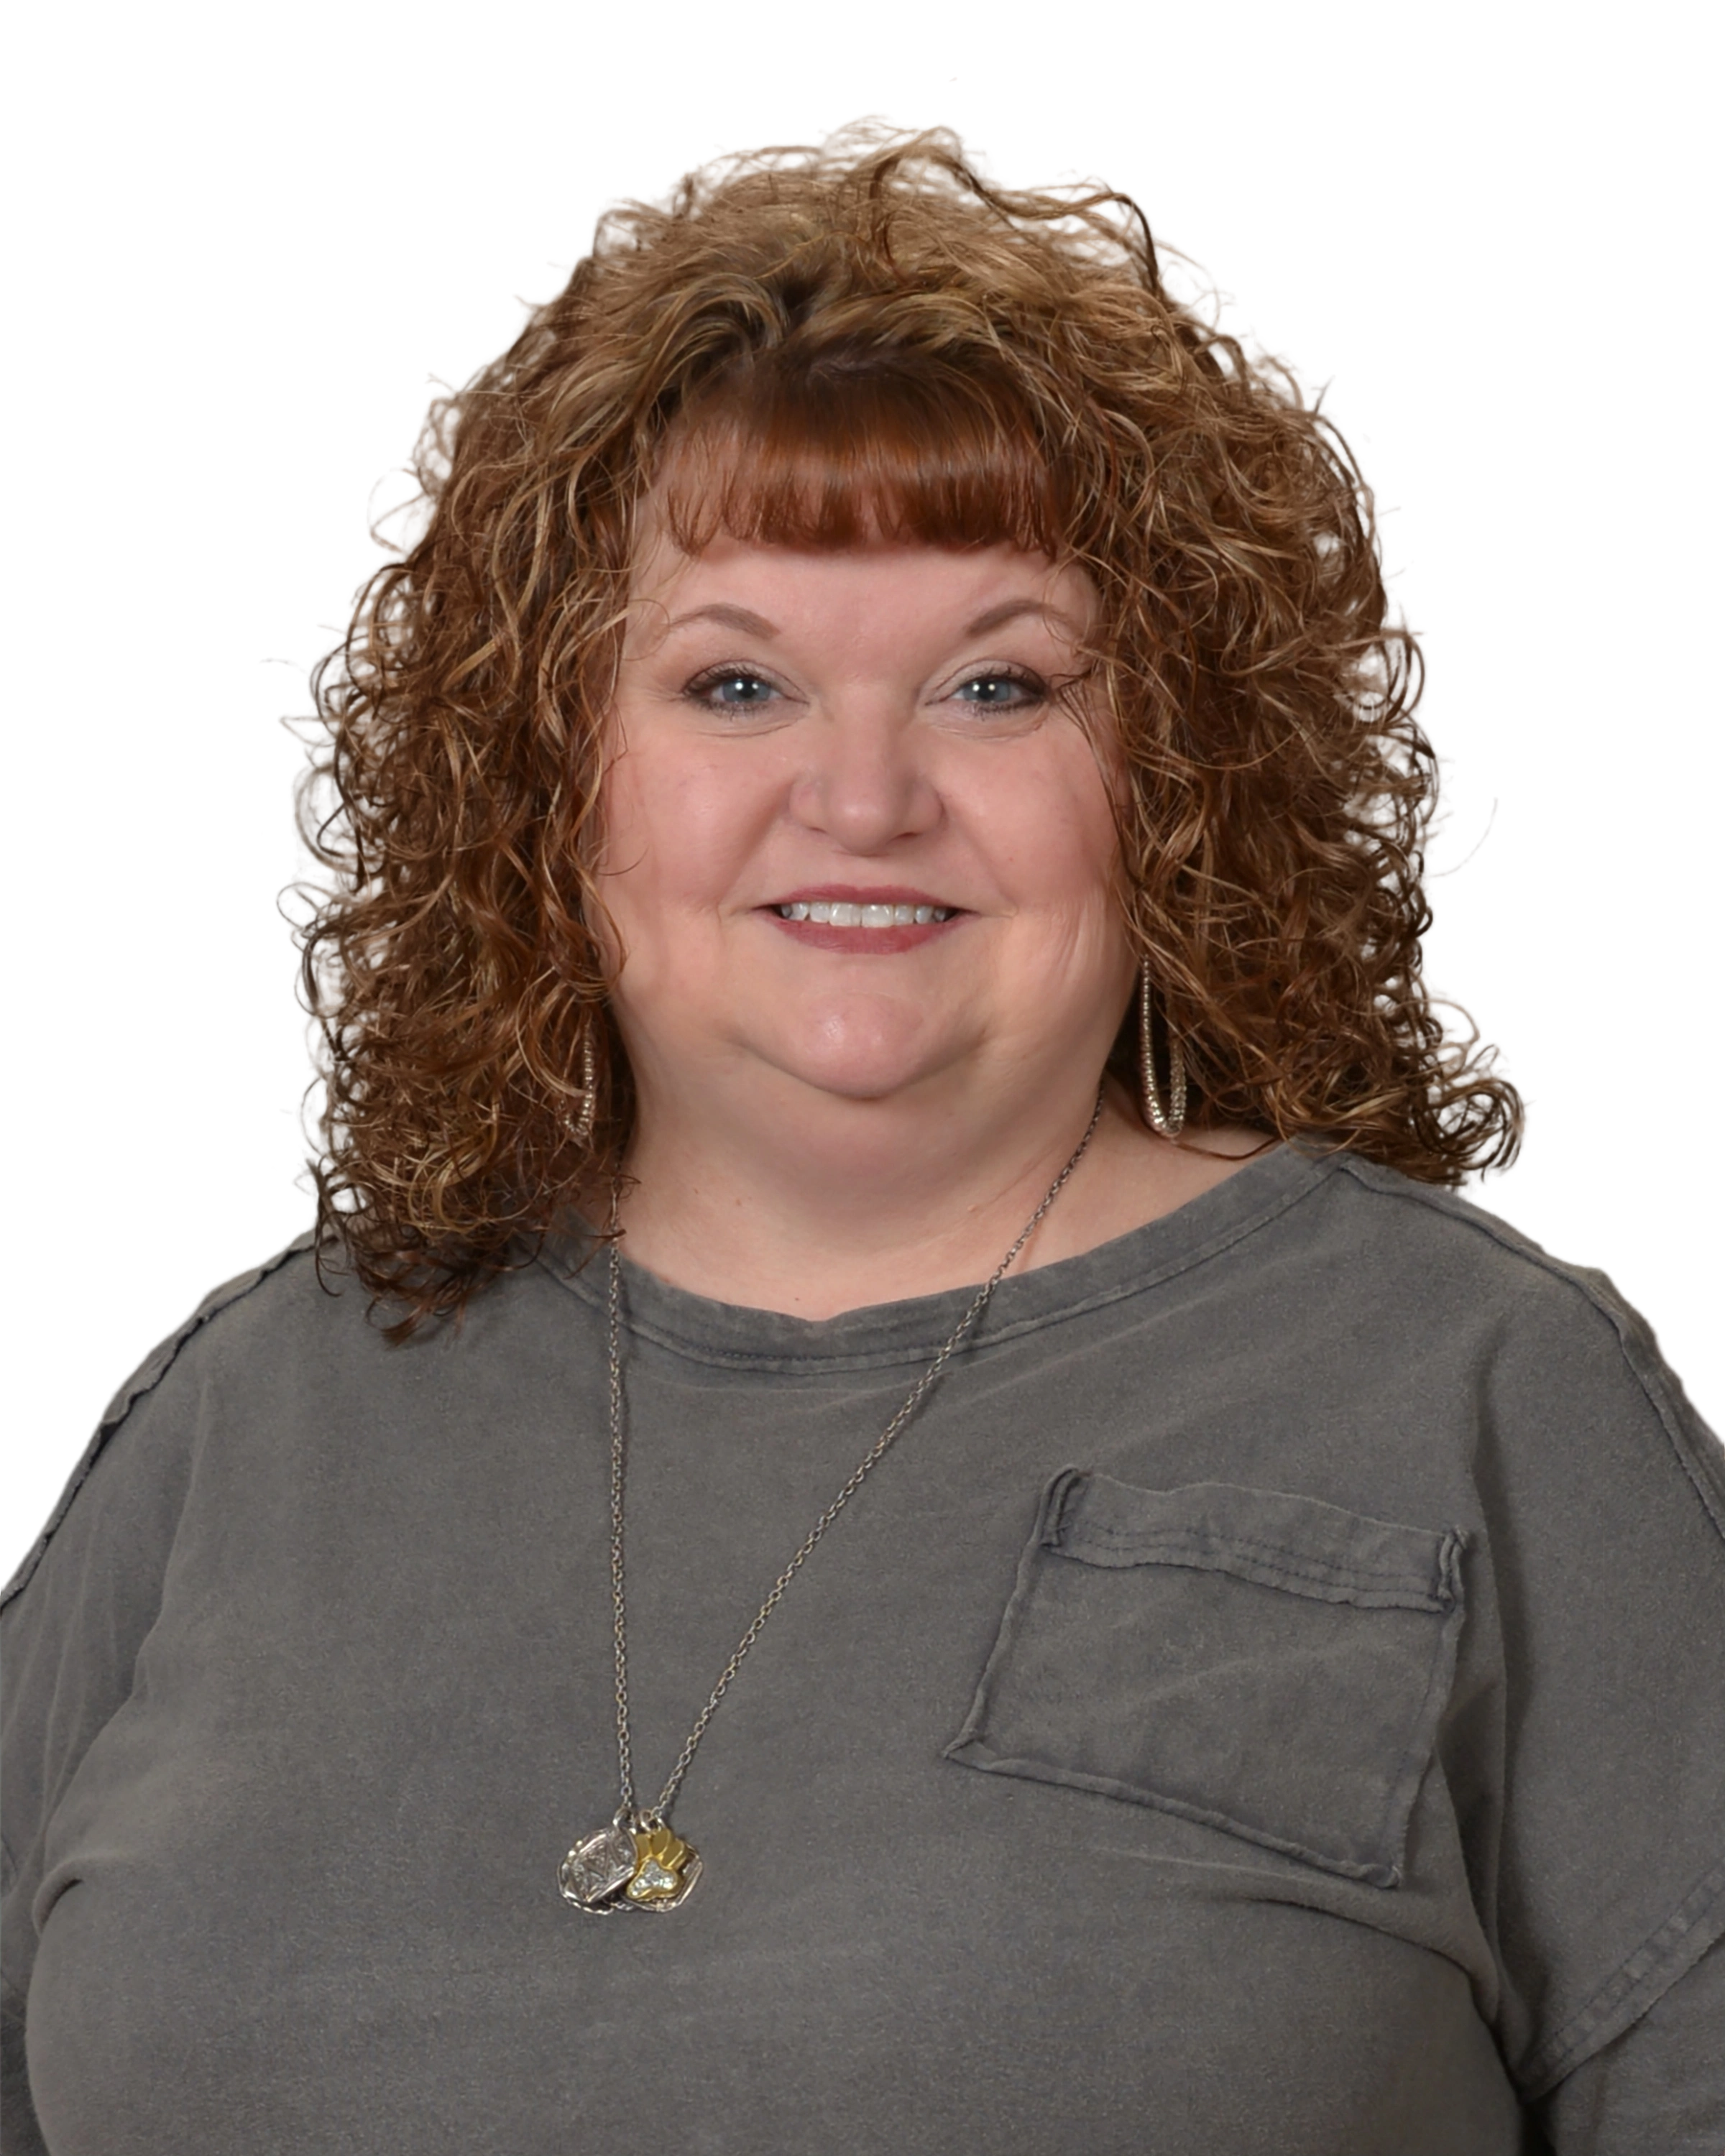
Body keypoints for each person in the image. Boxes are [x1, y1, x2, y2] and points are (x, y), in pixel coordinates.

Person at [3, 113, 1719, 2156]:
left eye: (1002, 688)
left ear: (1193, 770)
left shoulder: (1486, 1393)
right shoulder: (234, 1425)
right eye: (735, 685)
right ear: (542, 767)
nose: (864, 798)